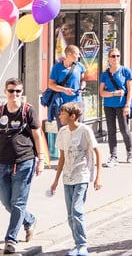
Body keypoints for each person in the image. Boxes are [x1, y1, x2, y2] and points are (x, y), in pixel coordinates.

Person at [49, 102, 101, 256]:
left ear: (72, 116)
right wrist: (56, 180)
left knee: (77, 210)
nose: (59, 116)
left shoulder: (85, 130)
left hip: (82, 175)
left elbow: (98, 152)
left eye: (62, 114)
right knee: (70, 215)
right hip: (67, 177)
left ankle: (83, 245)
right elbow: (62, 157)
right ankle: (77, 244)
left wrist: (98, 177)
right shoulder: (63, 131)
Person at [0, 78, 45, 253]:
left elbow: (37, 135)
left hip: (24, 162)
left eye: (18, 91)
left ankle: (10, 240)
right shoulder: (1, 111)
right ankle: (30, 220)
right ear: (6, 92)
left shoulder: (28, 111)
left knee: (18, 202)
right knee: (7, 202)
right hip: (2, 163)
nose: (15, 94)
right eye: (11, 91)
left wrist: (40, 159)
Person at [98, 48, 132, 167]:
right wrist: (114, 93)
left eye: (118, 56)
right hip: (108, 105)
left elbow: (129, 91)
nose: (116, 58)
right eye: (113, 56)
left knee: (124, 129)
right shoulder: (105, 74)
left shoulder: (125, 71)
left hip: (121, 105)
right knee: (111, 130)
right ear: (108, 58)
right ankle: (113, 155)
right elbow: (102, 92)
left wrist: (127, 105)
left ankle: (130, 151)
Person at [47, 45, 86, 155]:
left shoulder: (80, 66)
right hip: (62, 104)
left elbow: (83, 79)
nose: (79, 56)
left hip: (77, 102)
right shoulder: (57, 68)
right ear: (69, 54)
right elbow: (51, 85)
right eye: (77, 54)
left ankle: (78, 155)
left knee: (78, 129)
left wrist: (82, 87)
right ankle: (64, 158)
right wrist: (64, 90)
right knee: (64, 130)